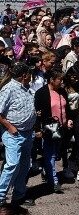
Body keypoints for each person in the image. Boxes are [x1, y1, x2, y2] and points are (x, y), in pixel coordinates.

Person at [0, 62, 36, 207]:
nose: (31, 77)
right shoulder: (9, 89)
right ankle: (1, 197)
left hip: (27, 133)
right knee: (12, 164)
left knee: (24, 165)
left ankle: (19, 195)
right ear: (24, 75)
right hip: (13, 133)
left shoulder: (26, 88)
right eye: (29, 74)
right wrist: (9, 127)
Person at [34, 68, 73, 192]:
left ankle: (47, 171)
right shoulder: (41, 93)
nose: (61, 82)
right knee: (50, 153)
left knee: (57, 154)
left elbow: (66, 109)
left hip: (62, 128)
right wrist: (38, 129)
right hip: (49, 128)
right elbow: (37, 113)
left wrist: (69, 120)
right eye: (59, 79)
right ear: (51, 80)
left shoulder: (62, 91)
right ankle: (53, 181)